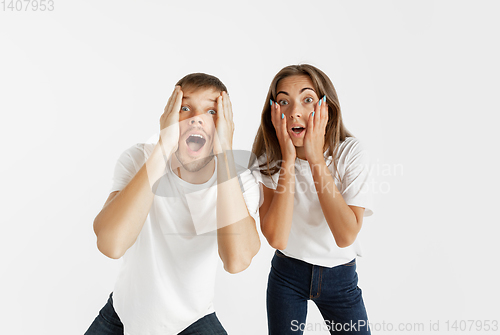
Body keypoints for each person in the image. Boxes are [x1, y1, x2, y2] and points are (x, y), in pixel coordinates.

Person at [86, 73, 261, 335]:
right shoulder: (139, 158)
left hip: (194, 321)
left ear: (226, 122)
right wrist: (164, 145)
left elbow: (236, 261)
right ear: (169, 115)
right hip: (122, 316)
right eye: (185, 108)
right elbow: (111, 244)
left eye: (212, 111)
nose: (196, 119)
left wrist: (224, 152)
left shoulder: (239, 180)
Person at [250, 64, 373, 334]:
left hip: (339, 277)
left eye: (307, 100)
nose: (294, 111)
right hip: (287, 275)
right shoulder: (268, 160)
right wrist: (289, 162)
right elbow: (277, 239)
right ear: (274, 111)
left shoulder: (350, 152)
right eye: (284, 101)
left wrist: (316, 158)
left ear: (326, 108)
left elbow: (345, 235)